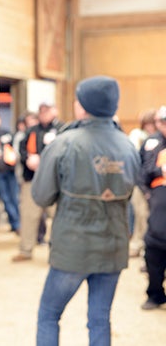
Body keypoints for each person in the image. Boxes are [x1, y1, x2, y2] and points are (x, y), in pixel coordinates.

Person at [33, 76, 139, 345]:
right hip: (113, 247)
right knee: (100, 319)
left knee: (49, 314)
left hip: (73, 247)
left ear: (83, 106)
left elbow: (41, 196)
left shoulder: (64, 143)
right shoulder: (128, 145)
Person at [14, 104, 64, 262]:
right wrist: (27, 159)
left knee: (58, 216)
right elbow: (21, 150)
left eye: (47, 111)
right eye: (41, 111)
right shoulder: (31, 131)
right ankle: (25, 250)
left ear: (54, 111)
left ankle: (58, 252)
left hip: (55, 181)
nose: (44, 114)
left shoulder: (62, 130)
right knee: (28, 215)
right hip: (32, 179)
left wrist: (45, 161)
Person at [141, 106, 166, 310]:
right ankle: (155, 293)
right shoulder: (153, 143)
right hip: (158, 200)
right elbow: (144, 170)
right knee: (154, 245)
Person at [130, 109, 158, 257]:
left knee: (149, 218)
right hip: (139, 183)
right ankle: (136, 245)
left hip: (155, 186)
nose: (150, 127)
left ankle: (146, 248)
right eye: (147, 124)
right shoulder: (138, 136)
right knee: (140, 216)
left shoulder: (160, 140)